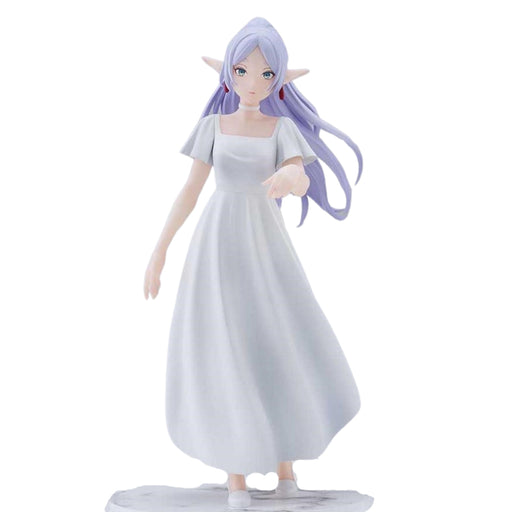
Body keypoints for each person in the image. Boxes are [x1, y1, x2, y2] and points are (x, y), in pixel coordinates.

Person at [143, 17, 364, 509]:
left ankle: (287, 468)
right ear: (228, 71)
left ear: (279, 80)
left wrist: (290, 180)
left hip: (265, 245)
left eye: (266, 74)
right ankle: (235, 476)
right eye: (242, 71)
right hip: (218, 244)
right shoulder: (212, 127)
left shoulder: (282, 128)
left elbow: (299, 174)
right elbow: (190, 191)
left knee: (278, 342)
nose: (251, 83)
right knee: (227, 348)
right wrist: (160, 248)